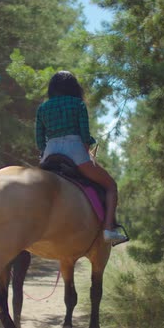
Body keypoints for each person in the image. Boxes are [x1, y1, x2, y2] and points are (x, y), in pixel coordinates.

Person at [35, 71, 127, 244]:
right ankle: (108, 229)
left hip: (50, 152)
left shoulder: (42, 108)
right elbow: (85, 134)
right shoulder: (78, 104)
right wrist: (87, 152)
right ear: (73, 87)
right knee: (111, 186)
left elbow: (39, 139)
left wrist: (43, 155)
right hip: (75, 150)